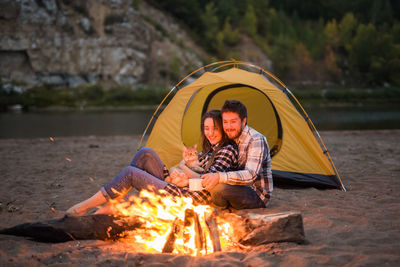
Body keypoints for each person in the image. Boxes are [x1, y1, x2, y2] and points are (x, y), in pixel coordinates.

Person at [66, 110, 238, 215]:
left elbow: (210, 180)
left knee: (130, 173)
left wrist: (184, 172)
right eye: (206, 128)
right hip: (181, 187)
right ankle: (114, 203)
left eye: (215, 128)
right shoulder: (208, 150)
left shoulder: (226, 150)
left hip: (189, 198)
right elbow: (183, 168)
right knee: (145, 153)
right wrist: (177, 171)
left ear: (223, 129)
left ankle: (83, 207)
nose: (210, 133)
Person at [201, 100, 273, 210]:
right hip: (236, 187)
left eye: (233, 121)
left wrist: (219, 176)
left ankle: (222, 209)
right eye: (225, 122)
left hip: (256, 195)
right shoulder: (229, 136)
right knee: (212, 183)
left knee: (218, 188)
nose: (228, 127)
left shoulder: (256, 139)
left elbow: (251, 175)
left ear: (243, 121)